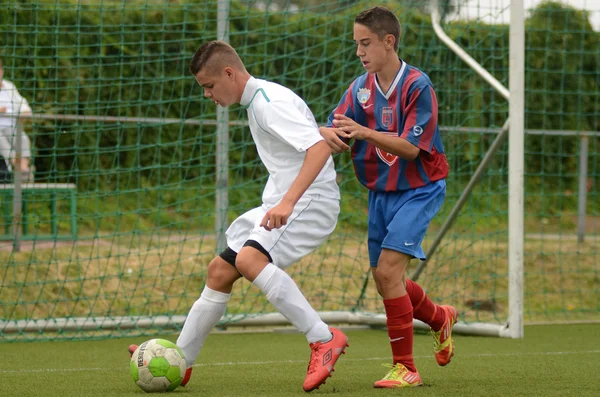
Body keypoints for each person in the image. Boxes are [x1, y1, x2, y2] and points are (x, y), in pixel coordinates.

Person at [128, 41, 348, 392]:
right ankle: (180, 360)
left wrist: (288, 203)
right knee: (220, 271)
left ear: (229, 73)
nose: (207, 95)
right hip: (280, 199)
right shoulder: (261, 99)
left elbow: (318, 148)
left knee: (248, 259)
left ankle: (323, 338)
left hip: (310, 201)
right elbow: (310, 135)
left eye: (209, 86)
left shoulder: (268, 103)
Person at [319, 6, 457, 389]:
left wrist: (362, 132)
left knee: (389, 272)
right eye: (356, 44)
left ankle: (406, 368)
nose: (359, 51)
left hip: (420, 189)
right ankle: (439, 317)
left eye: (365, 43)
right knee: (385, 279)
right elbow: (337, 129)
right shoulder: (359, 88)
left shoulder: (417, 85)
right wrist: (317, 133)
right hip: (381, 194)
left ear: (388, 41)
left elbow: (412, 150)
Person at [0, 57, 34, 182]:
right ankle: (23, 171)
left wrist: (25, 111)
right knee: (1, 142)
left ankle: (22, 170)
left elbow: (21, 103)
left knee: (23, 139)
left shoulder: (9, 86)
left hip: (11, 127)